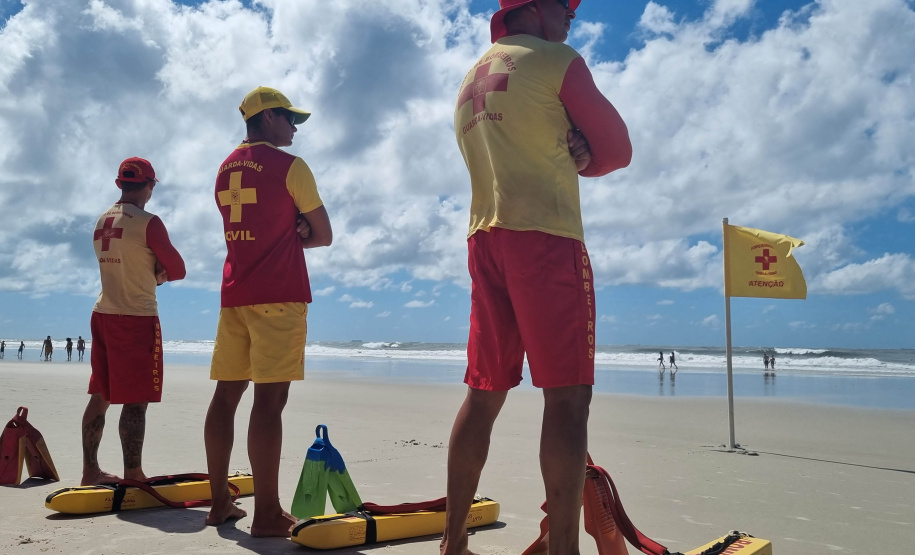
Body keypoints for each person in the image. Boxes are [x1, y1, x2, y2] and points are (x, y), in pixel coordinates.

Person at [442, 1, 632, 553]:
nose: (572, 16)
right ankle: (565, 550)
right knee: (568, 400)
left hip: (485, 239)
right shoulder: (557, 60)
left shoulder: (472, 77)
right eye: (564, 6)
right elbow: (618, 150)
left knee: (483, 394)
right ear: (536, 8)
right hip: (545, 238)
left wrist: (574, 144)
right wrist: (587, 156)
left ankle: (453, 545)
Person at [204, 86, 332, 538]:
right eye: (289, 118)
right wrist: (299, 229)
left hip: (235, 293)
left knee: (225, 397)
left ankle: (220, 500)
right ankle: (267, 513)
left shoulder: (223, 170)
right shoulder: (290, 167)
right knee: (269, 403)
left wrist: (289, 225)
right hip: (279, 295)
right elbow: (323, 235)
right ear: (268, 118)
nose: (295, 127)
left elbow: (253, 224)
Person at [81, 156, 186, 486]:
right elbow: (178, 269)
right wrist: (158, 275)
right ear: (150, 185)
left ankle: (90, 472)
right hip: (136, 316)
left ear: (119, 184)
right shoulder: (148, 222)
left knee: (101, 394)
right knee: (136, 400)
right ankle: (133, 474)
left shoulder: (101, 221)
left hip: (103, 312)